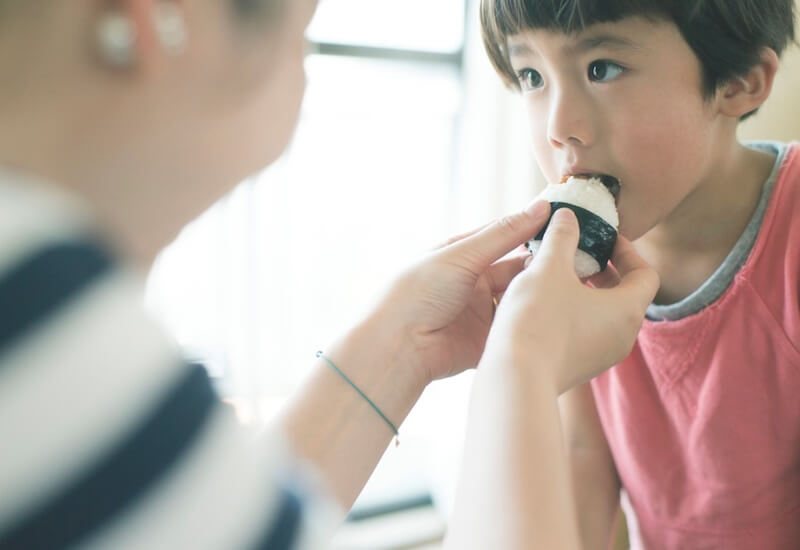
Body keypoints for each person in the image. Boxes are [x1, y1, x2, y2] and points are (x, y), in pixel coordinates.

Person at [0, 1, 658, 549]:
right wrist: (524, 365)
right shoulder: (39, 320)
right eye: (304, 27)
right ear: (156, 24)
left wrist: (403, 347)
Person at [479, 0, 800, 548]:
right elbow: (582, 460)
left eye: (601, 68)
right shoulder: (571, 264)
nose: (559, 128)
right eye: (531, 75)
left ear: (740, 82)